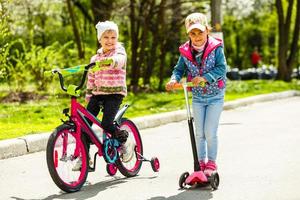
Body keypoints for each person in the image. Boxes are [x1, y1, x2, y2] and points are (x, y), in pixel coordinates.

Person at [165, 13, 227, 176]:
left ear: (207, 30)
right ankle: (200, 162)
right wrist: (174, 80)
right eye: (193, 33)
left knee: (209, 131)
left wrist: (205, 78)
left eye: (200, 32)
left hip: (215, 96)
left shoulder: (216, 48)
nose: (197, 36)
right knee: (198, 132)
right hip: (198, 98)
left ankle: (211, 163)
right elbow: (179, 70)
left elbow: (222, 68)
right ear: (188, 34)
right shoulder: (185, 51)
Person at [73, 21, 133, 171]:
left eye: (113, 37)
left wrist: (109, 61)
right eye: (106, 37)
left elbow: (119, 61)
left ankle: (125, 143)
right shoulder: (95, 59)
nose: (110, 40)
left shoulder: (119, 52)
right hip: (97, 94)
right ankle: (84, 158)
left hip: (114, 93)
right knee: (84, 125)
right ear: (100, 39)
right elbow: (91, 78)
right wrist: (88, 95)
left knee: (107, 123)